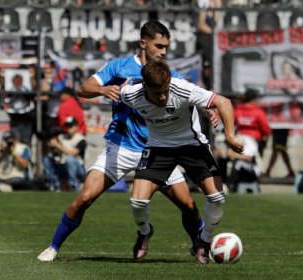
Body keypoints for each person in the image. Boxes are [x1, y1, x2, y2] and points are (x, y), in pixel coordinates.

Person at [37, 20, 218, 262]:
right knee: (85, 196)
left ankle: (200, 247)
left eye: (166, 47)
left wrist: (210, 110)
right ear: (143, 43)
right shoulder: (119, 67)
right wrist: (103, 90)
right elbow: (84, 88)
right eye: (159, 46)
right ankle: (54, 246)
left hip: (157, 149)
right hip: (121, 146)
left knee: (188, 204)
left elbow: (193, 96)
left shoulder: (169, 74)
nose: (163, 52)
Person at [120, 60, 243, 264]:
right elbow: (118, 90)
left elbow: (223, 102)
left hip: (191, 146)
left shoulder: (181, 89)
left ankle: (203, 241)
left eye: (165, 91)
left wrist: (229, 136)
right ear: (145, 87)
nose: (162, 96)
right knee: (137, 202)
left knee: (218, 198)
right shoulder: (132, 94)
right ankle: (145, 232)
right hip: (158, 148)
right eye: (156, 92)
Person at [228, 89, 271, 191]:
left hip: (239, 141)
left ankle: (236, 182)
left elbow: (231, 124)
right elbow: (266, 129)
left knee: (237, 161)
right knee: (255, 162)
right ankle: (254, 181)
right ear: (254, 99)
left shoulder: (237, 110)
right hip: (255, 142)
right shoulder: (258, 112)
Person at [43, 117, 87, 192]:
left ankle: (73, 185)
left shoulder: (81, 139)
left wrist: (57, 145)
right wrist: (51, 145)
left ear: (76, 127)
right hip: (63, 166)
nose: (68, 128)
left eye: (71, 126)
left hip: (79, 169)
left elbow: (72, 153)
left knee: (70, 159)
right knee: (47, 159)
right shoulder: (62, 137)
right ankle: (54, 184)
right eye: (67, 126)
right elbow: (55, 151)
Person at [4, 73, 35, 146]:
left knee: (26, 140)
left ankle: (26, 156)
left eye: (19, 81)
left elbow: (31, 99)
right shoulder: (9, 92)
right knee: (16, 139)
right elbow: (5, 103)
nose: (18, 83)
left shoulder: (26, 90)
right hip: (14, 119)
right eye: (16, 81)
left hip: (26, 119)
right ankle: (18, 156)